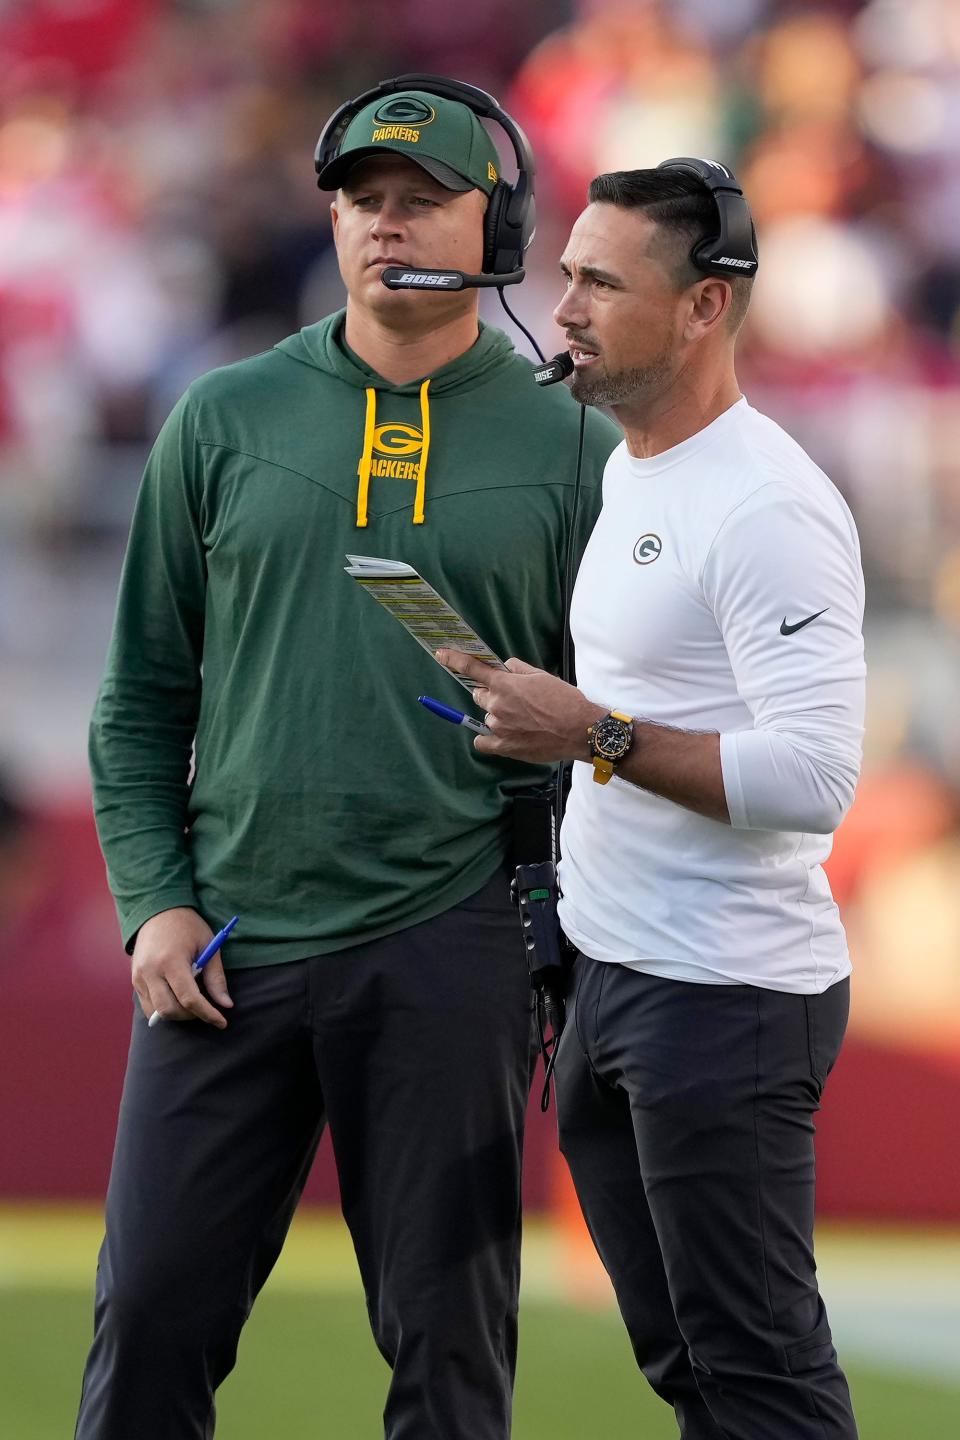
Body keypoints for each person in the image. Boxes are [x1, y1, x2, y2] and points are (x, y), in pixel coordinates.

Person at [76, 79, 619, 1440]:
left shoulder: (578, 448)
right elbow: (139, 695)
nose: (386, 226)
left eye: (420, 199)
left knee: (449, 1362)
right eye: (362, 201)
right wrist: (153, 899)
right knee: (147, 1322)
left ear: (493, 225)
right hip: (228, 945)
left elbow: (621, 727)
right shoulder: (223, 417)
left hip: (455, 940)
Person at [440, 164, 865, 1439]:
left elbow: (815, 778)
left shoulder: (769, 504)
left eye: (601, 282)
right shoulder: (636, 465)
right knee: (694, 1374)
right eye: (567, 271)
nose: (560, 305)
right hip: (615, 975)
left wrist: (596, 733)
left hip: (725, 996)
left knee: (761, 1379)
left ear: (703, 308)